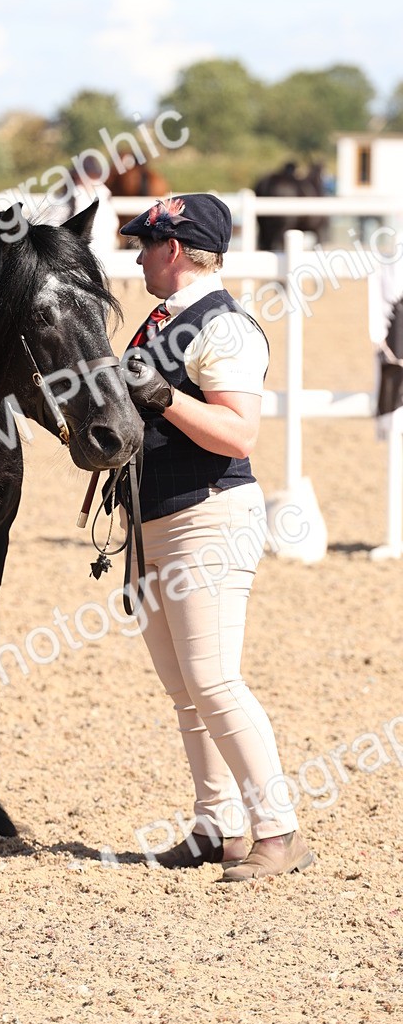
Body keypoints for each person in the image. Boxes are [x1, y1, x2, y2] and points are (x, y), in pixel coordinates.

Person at [117, 193, 314, 882]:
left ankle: (278, 828)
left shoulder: (224, 327)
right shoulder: (160, 322)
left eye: (146, 244)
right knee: (185, 688)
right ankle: (217, 825)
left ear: (174, 249)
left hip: (208, 514)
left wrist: (165, 398)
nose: (139, 255)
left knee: (214, 680)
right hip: (154, 518)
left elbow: (238, 433)